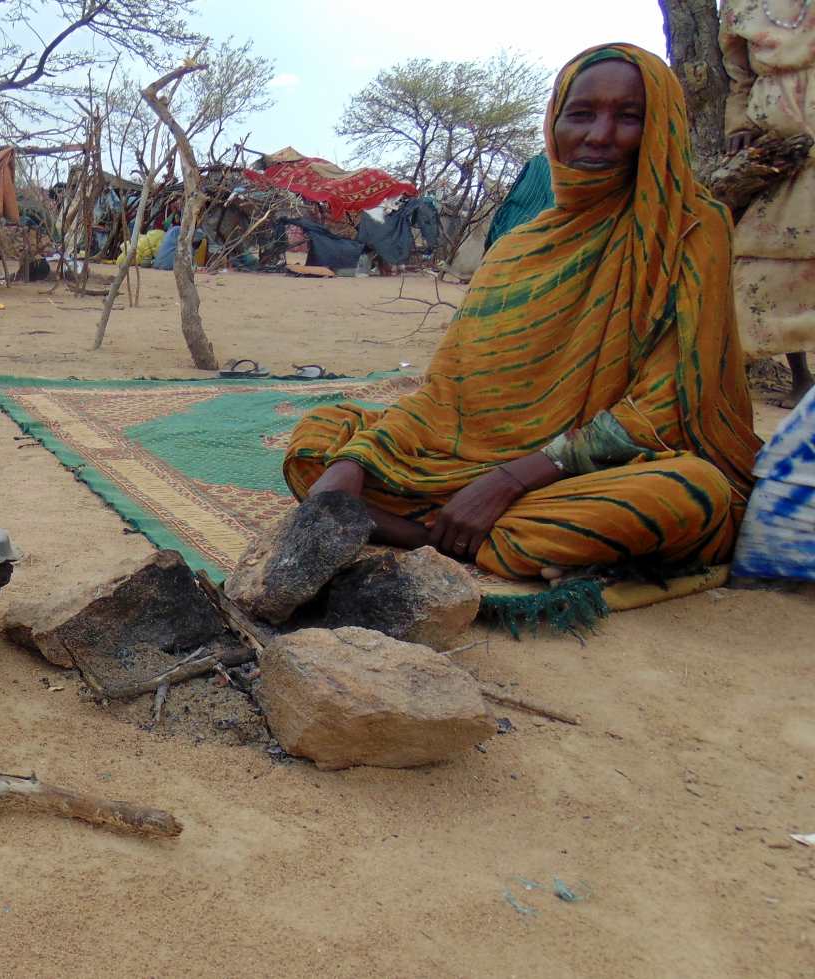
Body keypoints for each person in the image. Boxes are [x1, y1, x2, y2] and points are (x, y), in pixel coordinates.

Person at [281, 44, 762, 581]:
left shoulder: (691, 230)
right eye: (582, 114)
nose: (599, 135)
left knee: (689, 492)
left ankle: (430, 532)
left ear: (661, 128)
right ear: (555, 124)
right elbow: (448, 395)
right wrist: (358, 460)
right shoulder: (516, 249)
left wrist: (512, 479)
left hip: (594, 470)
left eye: (629, 117)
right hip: (463, 465)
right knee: (323, 436)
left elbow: (666, 406)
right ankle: (468, 535)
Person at [721, 0, 815, 407]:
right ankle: (801, 376)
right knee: (764, 259)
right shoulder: (739, 9)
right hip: (781, 149)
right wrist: (739, 126)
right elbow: (739, 78)